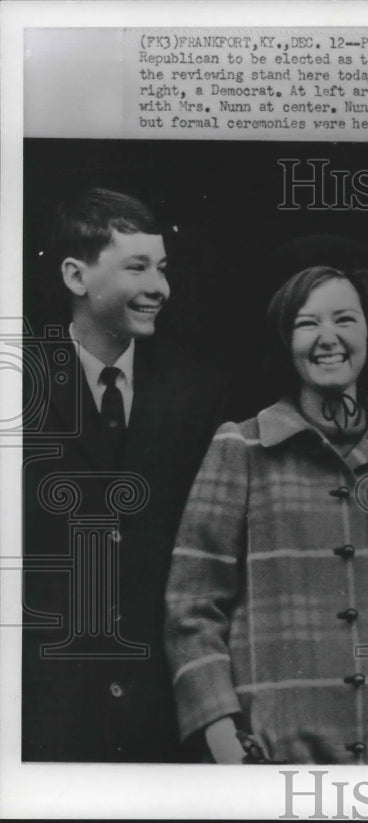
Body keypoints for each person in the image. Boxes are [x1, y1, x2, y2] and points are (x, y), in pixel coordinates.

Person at [164, 259, 368, 765]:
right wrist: (222, 736)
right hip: (275, 759)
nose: (328, 338)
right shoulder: (242, 449)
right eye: (307, 323)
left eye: (344, 319)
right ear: (284, 340)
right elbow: (193, 602)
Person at [21, 187, 228, 761]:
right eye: (137, 267)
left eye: (162, 268)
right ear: (75, 275)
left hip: (164, 712)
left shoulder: (200, 395)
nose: (160, 287)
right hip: (45, 713)